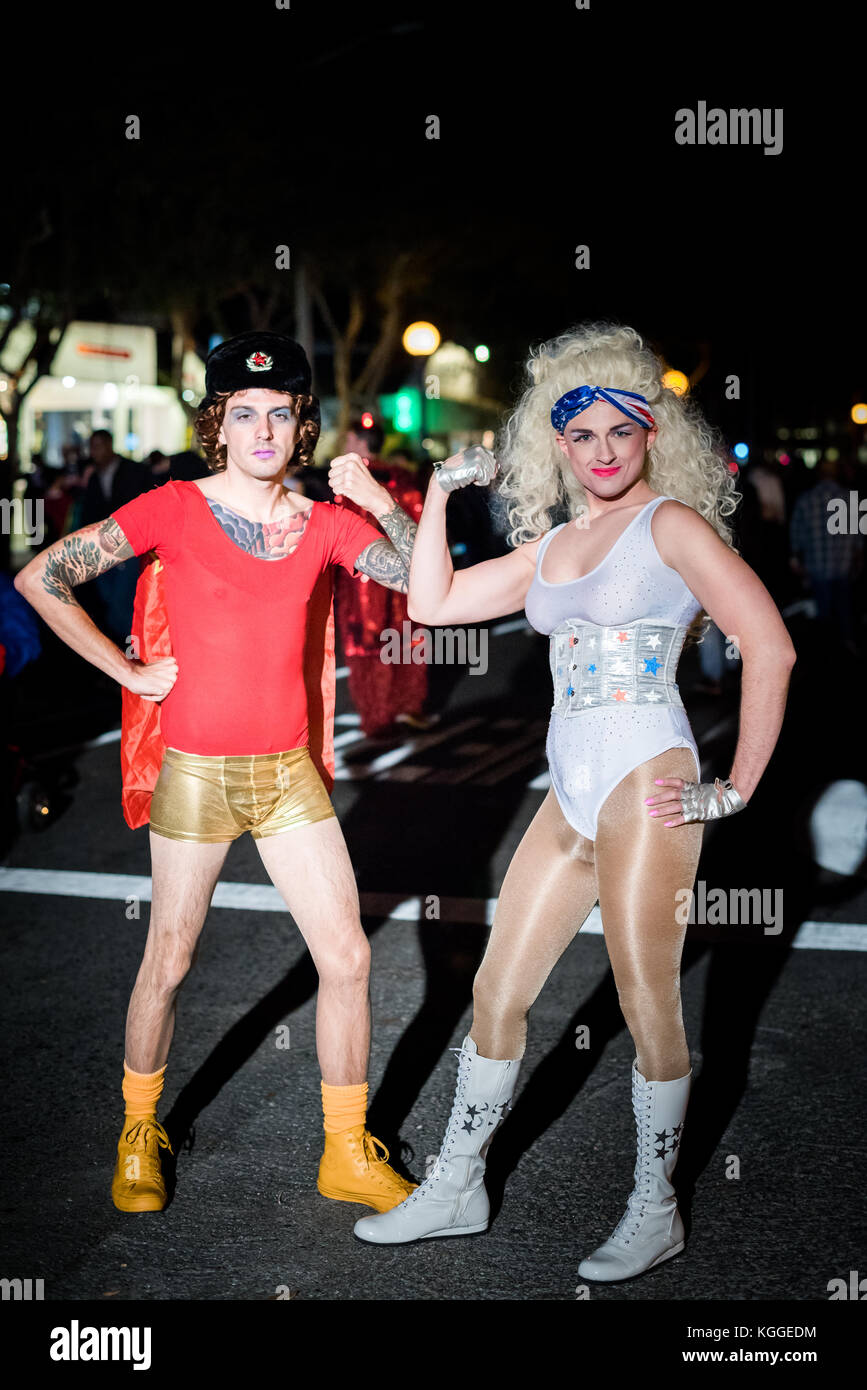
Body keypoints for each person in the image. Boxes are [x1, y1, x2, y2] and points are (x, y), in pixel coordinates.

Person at [353, 323, 796, 1283]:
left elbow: (770, 646)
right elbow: (430, 604)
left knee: (647, 1002)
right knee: (495, 991)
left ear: (650, 436)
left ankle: (655, 1207)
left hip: (648, 783)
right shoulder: (551, 543)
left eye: (619, 433)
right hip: (569, 795)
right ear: (555, 442)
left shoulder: (670, 525)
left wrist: (735, 789)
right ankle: (458, 1183)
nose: (600, 451)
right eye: (580, 434)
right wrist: (432, 494)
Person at [13, 331, 422, 1220]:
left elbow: (430, 591)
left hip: (287, 778)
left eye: (281, 414)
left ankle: (345, 1151)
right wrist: (124, 673)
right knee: (168, 958)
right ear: (219, 426)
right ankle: (138, 1130)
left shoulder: (325, 524)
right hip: (195, 772)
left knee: (347, 958)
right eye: (246, 414)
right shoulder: (171, 508)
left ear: (301, 427)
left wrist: (382, 501)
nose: (265, 430)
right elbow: (43, 575)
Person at [332, 417, 429, 735]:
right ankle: (408, 705)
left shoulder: (350, 482)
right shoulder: (402, 477)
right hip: (406, 576)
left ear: (356, 441)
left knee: (366, 644)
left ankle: (377, 716)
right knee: (408, 640)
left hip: (363, 580)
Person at [789, 456, 864, 648]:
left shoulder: (806, 499)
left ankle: (826, 653)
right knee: (845, 613)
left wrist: (797, 561)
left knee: (823, 615)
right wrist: (858, 562)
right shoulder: (850, 498)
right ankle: (847, 649)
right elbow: (858, 539)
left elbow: (796, 535)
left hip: (817, 567)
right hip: (843, 567)